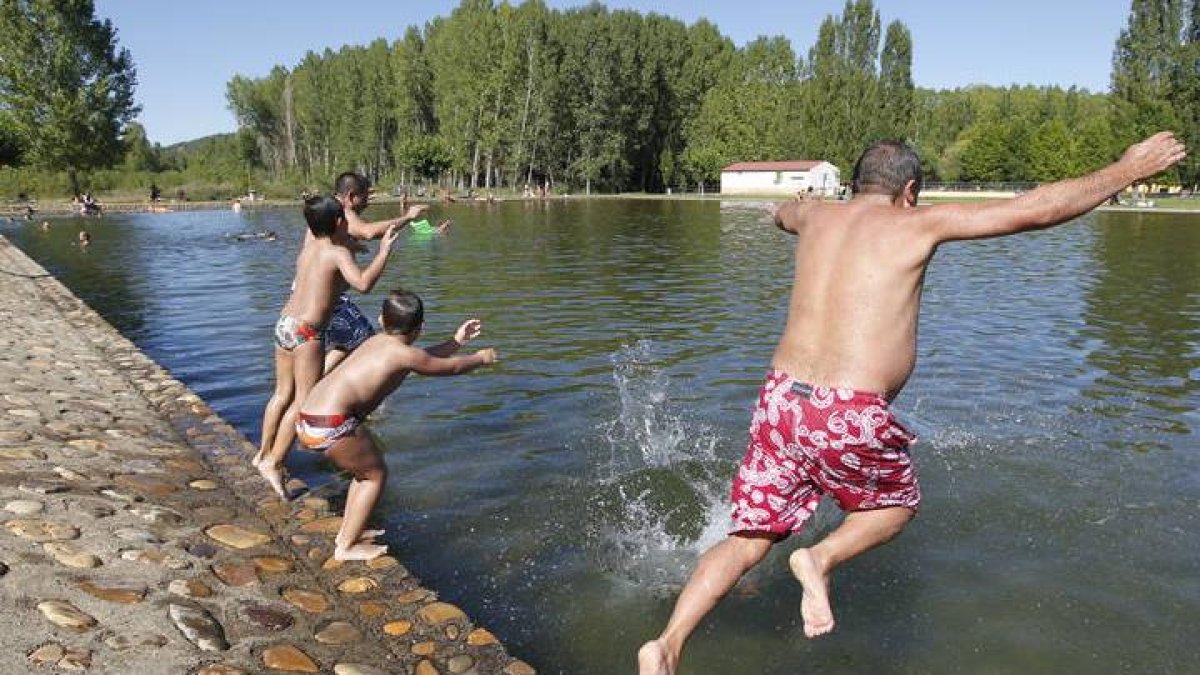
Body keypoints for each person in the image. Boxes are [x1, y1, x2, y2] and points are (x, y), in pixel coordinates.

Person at [637, 131, 1187, 675]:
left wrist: (788, 211)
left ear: (856, 185)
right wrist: (1126, 170)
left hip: (781, 399)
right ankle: (820, 559)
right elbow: (1036, 209)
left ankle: (667, 643)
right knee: (894, 507)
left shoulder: (815, 217)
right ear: (910, 191)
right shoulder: (917, 223)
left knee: (747, 537)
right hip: (846, 408)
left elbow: (782, 213)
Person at [295, 289, 497, 560]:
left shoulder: (377, 343)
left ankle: (349, 534)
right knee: (375, 476)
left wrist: (456, 341)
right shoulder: (403, 355)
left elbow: (423, 358)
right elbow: (448, 367)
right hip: (331, 424)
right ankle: (346, 547)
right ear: (421, 327)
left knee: (365, 474)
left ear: (381, 319)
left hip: (309, 418)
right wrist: (481, 358)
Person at [252, 195, 402, 500]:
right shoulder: (337, 253)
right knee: (303, 403)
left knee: (282, 394)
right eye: (345, 218)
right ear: (338, 222)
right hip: (307, 332)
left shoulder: (309, 249)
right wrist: (384, 251)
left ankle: (262, 453)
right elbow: (363, 284)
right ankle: (274, 463)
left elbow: (327, 285)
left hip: (285, 323)